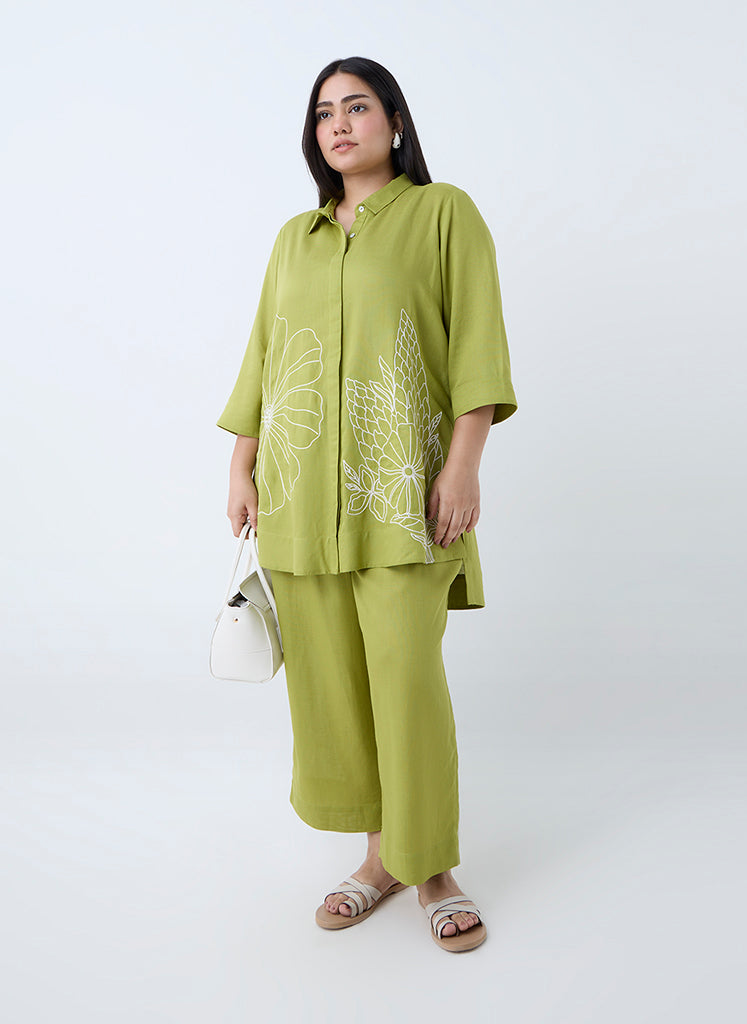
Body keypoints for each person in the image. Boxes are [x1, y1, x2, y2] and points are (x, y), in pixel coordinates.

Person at [217, 56, 517, 953]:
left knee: (405, 679)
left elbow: (477, 346)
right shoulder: (295, 237)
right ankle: (380, 858)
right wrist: (242, 466)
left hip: (402, 494)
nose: (339, 125)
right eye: (324, 114)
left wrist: (463, 467)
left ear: (395, 120)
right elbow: (264, 355)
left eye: (356, 107)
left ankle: (434, 871)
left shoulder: (443, 213)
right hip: (299, 493)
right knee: (332, 686)